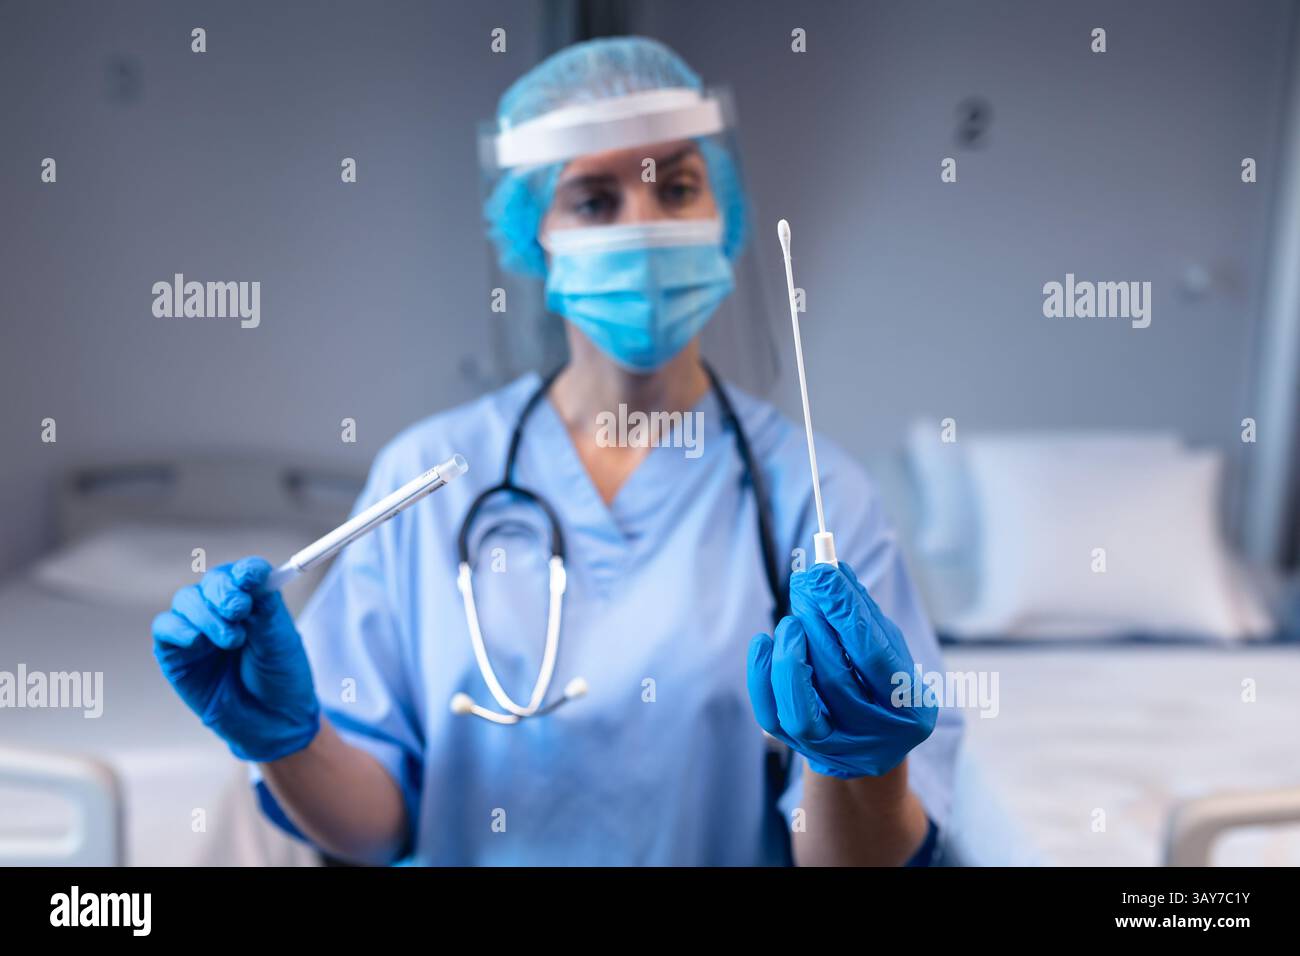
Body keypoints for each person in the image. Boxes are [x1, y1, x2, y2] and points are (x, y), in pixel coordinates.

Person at [152, 36, 962, 866]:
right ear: (532, 237)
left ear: (723, 216)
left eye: (676, 188)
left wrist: (866, 767)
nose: (643, 228)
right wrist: (285, 742)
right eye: (594, 201)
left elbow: (846, 860)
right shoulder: (429, 476)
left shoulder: (817, 492)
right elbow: (379, 828)